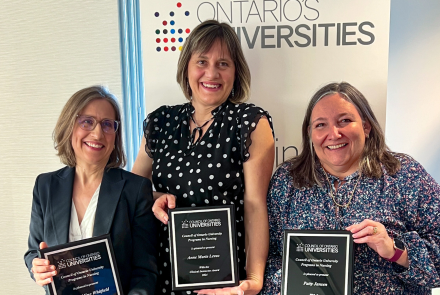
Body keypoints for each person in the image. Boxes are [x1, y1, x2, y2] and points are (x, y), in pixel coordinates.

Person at [132, 20, 275, 295]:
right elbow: (133, 190)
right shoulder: (160, 121)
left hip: (223, 280)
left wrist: (255, 279)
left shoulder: (250, 122)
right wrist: (154, 197)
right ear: (186, 67)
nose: (212, 73)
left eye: (223, 63)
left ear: (235, 72)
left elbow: (255, 205)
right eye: (202, 61)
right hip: (163, 273)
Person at [262, 82, 440, 294]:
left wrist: (393, 249)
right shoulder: (287, 180)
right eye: (321, 125)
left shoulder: (405, 175)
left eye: (344, 121)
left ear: (366, 126)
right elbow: (269, 258)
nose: (334, 134)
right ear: (310, 133)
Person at [24, 86, 158, 295]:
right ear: (69, 126)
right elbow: (33, 252)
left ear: (115, 135)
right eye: (87, 122)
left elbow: (145, 272)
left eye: (107, 124)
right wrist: (37, 268)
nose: (97, 133)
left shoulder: (135, 189)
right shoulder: (45, 186)